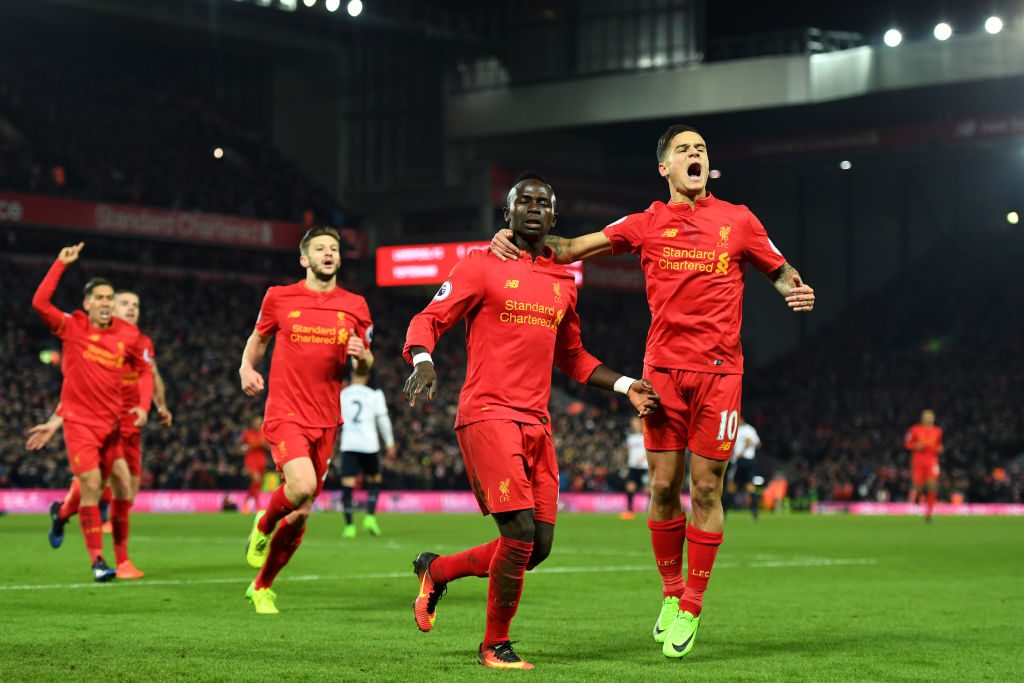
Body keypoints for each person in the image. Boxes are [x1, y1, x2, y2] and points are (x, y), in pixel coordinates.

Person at [491, 125, 815, 659]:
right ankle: (669, 593)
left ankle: (692, 603)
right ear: (663, 167)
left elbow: (780, 270)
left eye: (702, 149)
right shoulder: (647, 222)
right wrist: (511, 240)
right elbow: (571, 247)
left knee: (707, 490)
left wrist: (795, 290)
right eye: (683, 150)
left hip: (720, 375)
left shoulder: (739, 220)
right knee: (664, 486)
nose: (695, 154)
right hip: (662, 375)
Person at [403, 172, 661, 670]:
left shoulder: (564, 280)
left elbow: (573, 357)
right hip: (487, 414)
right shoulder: (481, 264)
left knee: (535, 546)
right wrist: (422, 360)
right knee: (518, 530)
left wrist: (627, 385)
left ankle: (435, 571)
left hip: (537, 424)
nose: (535, 208)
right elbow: (429, 318)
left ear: (555, 217)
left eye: (545, 202)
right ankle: (494, 646)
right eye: (525, 201)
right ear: (508, 214)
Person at [239, 226, 373, 615]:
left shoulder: (356, 305)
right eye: (320, 248)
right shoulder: (279, 298)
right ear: (304, 258)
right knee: (300, 486)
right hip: (286, 413)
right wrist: (247, 367)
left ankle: (261, 587)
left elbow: (368, 359)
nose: (328, 253)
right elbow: (259, 339)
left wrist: (361, 356)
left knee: (300, 512)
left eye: (333, 248)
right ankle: (264, 523)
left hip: (328, 419)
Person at [28, 289, 172, 579]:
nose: (131, 309)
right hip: (106, 424)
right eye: (124, 303)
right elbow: (76, 392)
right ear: (108, 307)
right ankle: (119, 561)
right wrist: (55, 423)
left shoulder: (139, 342)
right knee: (105, 484)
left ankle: (65, 510)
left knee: (126, 494)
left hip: (132, 426)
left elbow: (150, 374)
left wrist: (159, 406)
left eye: (136, 304)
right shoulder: (98, 340)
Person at [338, 368, 395, 539]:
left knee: (348, 484)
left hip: (349, 443)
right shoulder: (375, 394)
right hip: (369, 444)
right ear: (368, 376)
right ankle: (370, 517)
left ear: (352, 375)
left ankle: (349, 527)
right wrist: (390, 443)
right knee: (374, 480)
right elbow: (383, 420)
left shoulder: (343, 394)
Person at [904, 409, 943, 522]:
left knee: (932, 485)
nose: (928, 419)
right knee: (919, 487)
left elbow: (939, 445)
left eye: (930, 417)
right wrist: (915, 446)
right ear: (922, 418)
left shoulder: (938, 431)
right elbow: (907, 444)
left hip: (932, 461)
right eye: (926, 417)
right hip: (918, 461)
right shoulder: (914, 429)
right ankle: (918, 497)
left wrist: (940, 449)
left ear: (933, 419)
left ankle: (929, 514)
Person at [729, 416, 761, 521]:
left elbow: (748, 441)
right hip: (751, 460)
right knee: (750, 486)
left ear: (741, 419)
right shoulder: (751, 429)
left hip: (742, 460)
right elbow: (758, 444)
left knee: (732, 485)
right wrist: (751, 448)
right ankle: (755, 512)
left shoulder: (743, 430)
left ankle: (724, 510)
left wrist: (741, 453)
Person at [240, 416, 268, 514]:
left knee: (257, 485)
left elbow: (269, 447)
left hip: (261, 461)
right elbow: (241, 447)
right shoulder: (247, 433)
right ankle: (258, 506)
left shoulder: (263, 433)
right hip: (250, 461)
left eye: (260, 422)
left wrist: (264, 444)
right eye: (257, 422)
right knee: (256, 480)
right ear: (252, 423)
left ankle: (245, 502)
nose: (259, 424)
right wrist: (245, 447)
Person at [621, 416, 648, 520]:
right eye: (633, 423)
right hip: (633, 466)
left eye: (636, 423)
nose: (635, 425)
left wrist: (643, 458)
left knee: (647, 489)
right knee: (630, 487)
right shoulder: (630, 437)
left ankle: (650, 510)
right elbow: (627, 451)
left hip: (645, 466)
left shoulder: (646, 435)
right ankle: (629, 509)